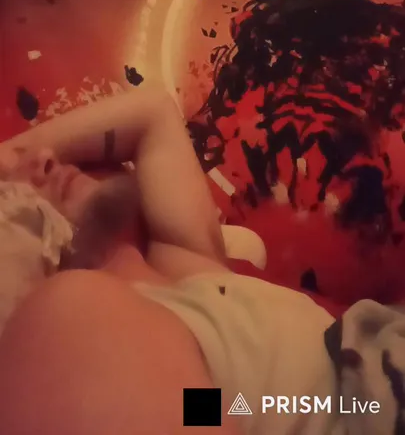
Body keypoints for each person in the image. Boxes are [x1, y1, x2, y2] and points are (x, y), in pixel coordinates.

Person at [0, 87, 403, 435]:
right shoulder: (70, 321)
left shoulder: (182, 269)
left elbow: (152, 113)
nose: (44, 156)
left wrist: (12, 155)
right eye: (6, 195)